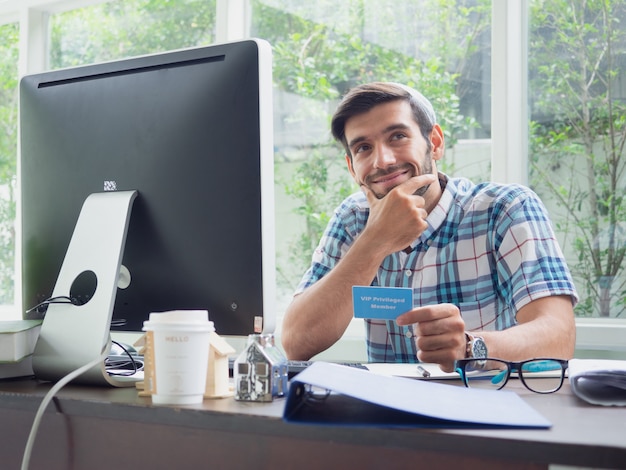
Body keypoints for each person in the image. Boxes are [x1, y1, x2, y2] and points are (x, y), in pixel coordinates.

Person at [281, 81, 578, 372]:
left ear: (434, 143)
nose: (382, 161)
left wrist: (469, 345)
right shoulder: (352, 219)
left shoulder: (504, 208)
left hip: (482, 407)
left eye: (397, 136)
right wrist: (375, 240)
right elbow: (296, 342)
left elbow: (558, 336)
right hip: (386, 414)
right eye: (363, 148)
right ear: (351, 166)